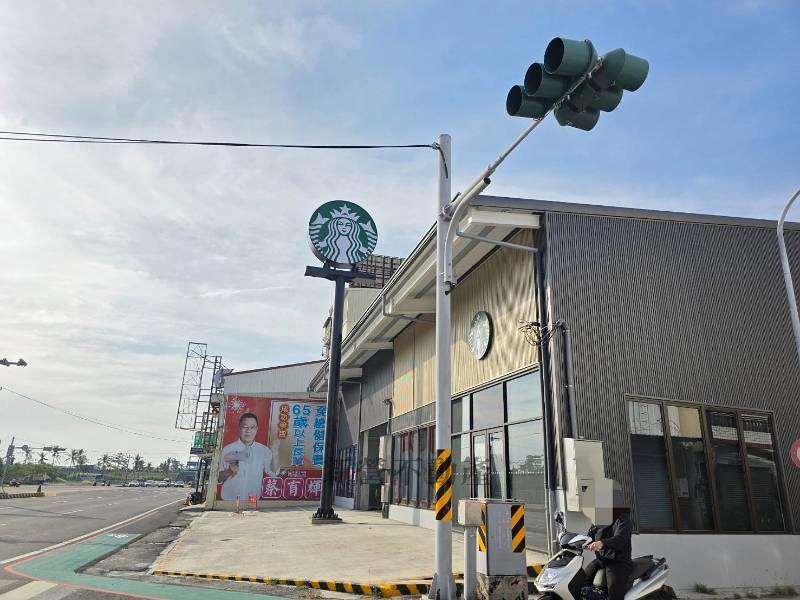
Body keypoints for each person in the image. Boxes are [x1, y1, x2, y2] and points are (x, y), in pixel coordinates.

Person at [584, 485, 633, 600]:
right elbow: (589, 536)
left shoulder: (623, 520)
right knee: (580, 581)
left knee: (614, 593)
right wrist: (579, 542)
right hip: (601, 560)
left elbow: (620, 539)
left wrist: (602, 543)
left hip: (618, 562)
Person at [218, 412, 280, 501]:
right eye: (245, 427)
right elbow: (217, 478)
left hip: (252, 499)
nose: (248, 431)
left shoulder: (264, 450)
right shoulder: (227, 450)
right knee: (230, 509)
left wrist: (275, 453)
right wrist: (229, 471)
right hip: (229, 499)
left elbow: (273, 473)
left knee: (252, 509)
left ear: (257, 429)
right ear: (239, 428)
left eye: (252, 427)